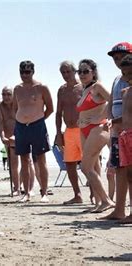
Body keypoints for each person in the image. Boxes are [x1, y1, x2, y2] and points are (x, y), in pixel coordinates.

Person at [76, 59, 115, 213]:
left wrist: (101, 118)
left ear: (93, 72)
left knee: (85, 167)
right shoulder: (84, 89)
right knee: (94, 166)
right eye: (80, 71)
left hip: (98, 129)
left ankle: (106, 200)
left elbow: (113, 100)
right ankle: (99, 202)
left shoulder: (97, 86)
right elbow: (86, 109)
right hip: (84, 130)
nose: (82, 74)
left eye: (86, 71)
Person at [13, 60, 53, 203]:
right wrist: (21, 120)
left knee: (41, 159)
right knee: (24, 160)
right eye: (22, 72)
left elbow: (50, 108)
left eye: (27, 72)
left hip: (37, 125)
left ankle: (44, 192)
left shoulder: (41, 87)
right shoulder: (17, 89)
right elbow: (14, 107)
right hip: (21, 126)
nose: (25, 75)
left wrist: (38, 119)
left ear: (33, 72)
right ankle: (27, 192)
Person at [101, 43, 132, 220]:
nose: (118, 61)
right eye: (115, 58)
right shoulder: (116, 80)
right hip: (118, 134)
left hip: (128, 130)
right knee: (120, 169)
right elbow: (111, 102)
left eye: (121, 56)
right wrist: (109, 120)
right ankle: (119, 210)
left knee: (130, 172)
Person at [54, 61, 83, 205]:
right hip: (69, 130)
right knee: (70, 163)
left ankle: (95, 193)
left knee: (88, 163)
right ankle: (77, 194)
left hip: (83, 129)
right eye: (63, 72)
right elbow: (58, 113)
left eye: (68, 72)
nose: (65, 75)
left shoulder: (83, 87)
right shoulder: (62, 90)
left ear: (74, 71)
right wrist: (58, 133)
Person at [116, 54, 132, 224]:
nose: (127, 78)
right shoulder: (125, 92)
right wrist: (112, 121)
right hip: (125, 135)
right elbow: (125, 115)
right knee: (129, 176)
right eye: (125, 74)